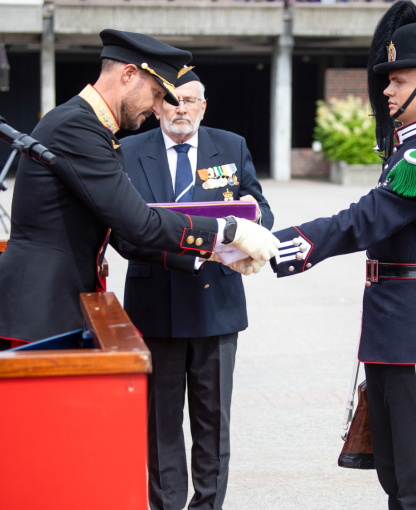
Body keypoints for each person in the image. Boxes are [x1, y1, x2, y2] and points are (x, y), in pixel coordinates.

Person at [272, 3, 416, 508]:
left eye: (398, 81)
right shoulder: (406, 152)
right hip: (393, 328)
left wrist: (279, 244)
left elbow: (363, 220)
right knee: (398, 480)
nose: (386, 90)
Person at [0, 30, 278, 349]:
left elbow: (124, 235)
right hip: (34, 312)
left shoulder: (91, 129)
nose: (155, 107)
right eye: (155, 94)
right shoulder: (77, 128)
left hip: (51, 309)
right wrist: (227, 231)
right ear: (128, 74)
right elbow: (139, 223)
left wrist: (214, 253)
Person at [118, 71, 274, 510]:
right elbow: (124, 231)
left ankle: (207, 505)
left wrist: (247, 227)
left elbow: (260, 209)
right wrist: (189, 252)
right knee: (161, 423)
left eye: (189, 101)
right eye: (171, 101)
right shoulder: (129, 151)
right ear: (155, 108)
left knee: (212, 423)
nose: (180, 109)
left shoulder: (232, 146)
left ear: (203, 107)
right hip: (155, 304)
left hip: (216, 305)